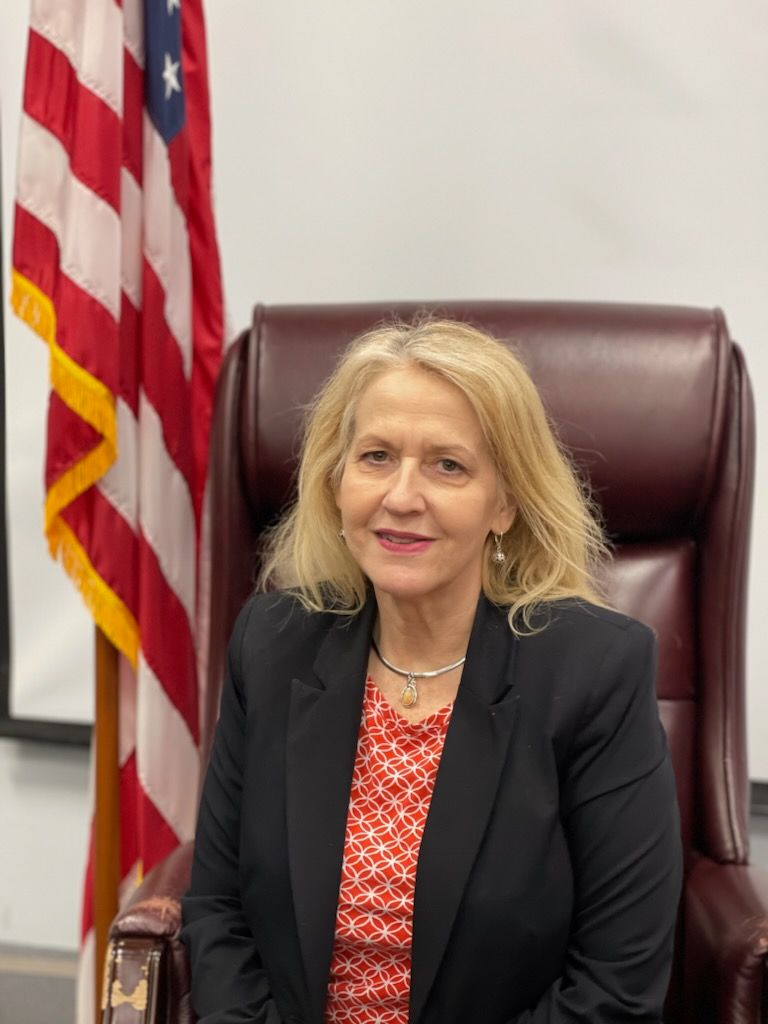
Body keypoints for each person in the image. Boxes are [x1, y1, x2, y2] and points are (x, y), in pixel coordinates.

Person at [181, 318, 683, 1024]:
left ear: (504, 503)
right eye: (377, 456)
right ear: (337, 480)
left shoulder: (594, 672)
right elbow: (219, 911)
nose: (402, 497)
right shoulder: (272, 645)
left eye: (448, 465)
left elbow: (615, 984)